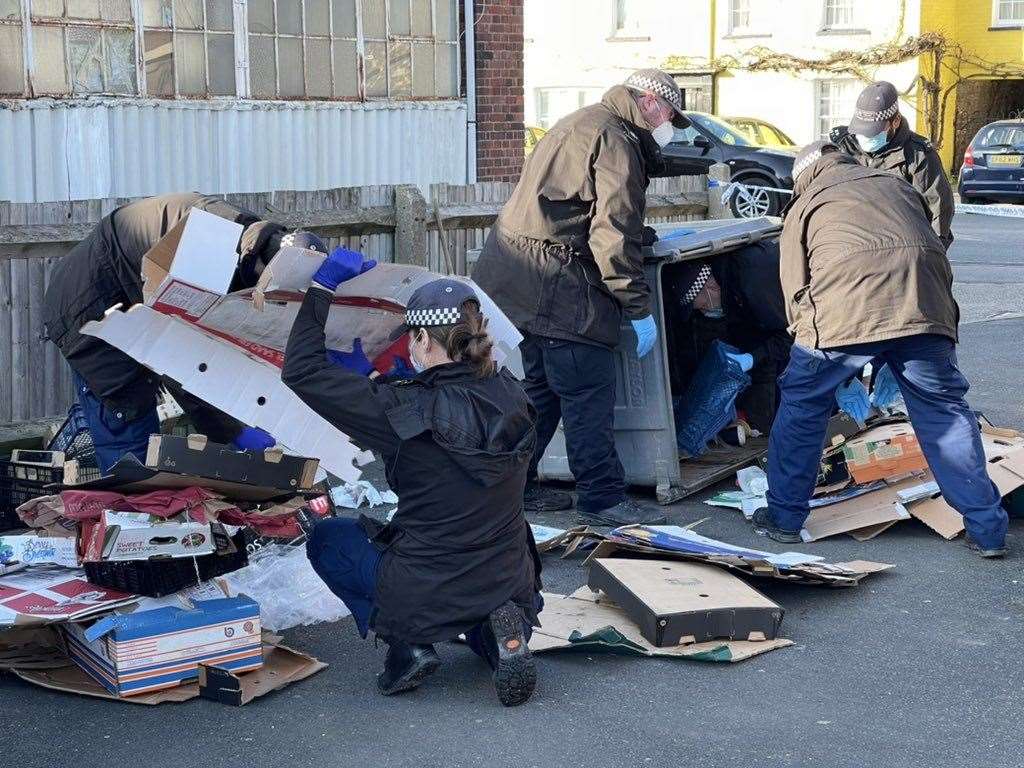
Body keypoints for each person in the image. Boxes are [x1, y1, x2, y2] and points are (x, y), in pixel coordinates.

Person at [282, 248, 543, 706]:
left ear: (422, 340)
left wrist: (321, 290)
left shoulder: (400, 410)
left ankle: (409, 643)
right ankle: (501, 634)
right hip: (507, 573)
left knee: (328, 538)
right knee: (479, 552)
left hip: (424, 584)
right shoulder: (513, 392)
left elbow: (301, 370)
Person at [752, 141, 1008, 558]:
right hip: (922, 307)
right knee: (944, 412)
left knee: (802, 404)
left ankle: (784, 518)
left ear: (802, 176)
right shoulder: (896, 184)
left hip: (842, 313)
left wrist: (813, 352)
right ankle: (987, 528)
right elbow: (929, 246)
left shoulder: (808, 201)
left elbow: (794, 286)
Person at [472, 68, 690, 526]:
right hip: (556, 282)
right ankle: (602, 499)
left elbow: (572, 206)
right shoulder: (616, 142)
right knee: (587, 391)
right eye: (669, 111)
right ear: (648, 101)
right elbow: (611, 235)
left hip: (514, 278)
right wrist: (636, 305)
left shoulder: (585, 120)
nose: (668, 121)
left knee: (542, 393)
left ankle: (517, 489)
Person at [43, 193, 321, 472]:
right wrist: (232, 432)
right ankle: (128, 513)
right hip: (90, 307)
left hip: (128, 289)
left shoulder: (255, 238)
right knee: (130, 439)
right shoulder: (204, 255)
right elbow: (180, 362)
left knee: (148, 447)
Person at [663, 241, 792, 436]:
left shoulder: (754, 285)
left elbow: (791, 333)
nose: (705, 311)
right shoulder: (730, 288)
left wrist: (753, 357)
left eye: (702, 305)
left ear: (710, 288)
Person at [831, 81, 954, 250]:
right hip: (851, 246)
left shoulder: (919, 156)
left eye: (874, 131)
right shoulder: (843, 147)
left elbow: (938, 210)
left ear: (895, 121)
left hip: (900, 248)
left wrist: (931, 256)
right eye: (861, 130)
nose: (865, 137)